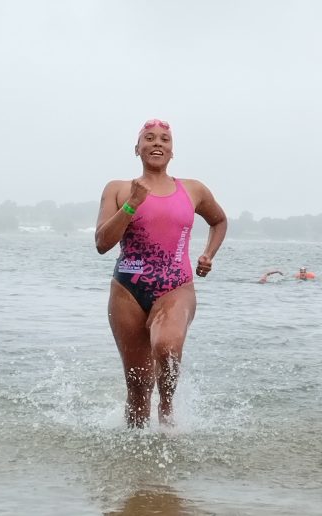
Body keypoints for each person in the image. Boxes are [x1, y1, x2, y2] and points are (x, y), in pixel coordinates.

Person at [95, 119, 227, 428]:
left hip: (175, 287)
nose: (157, 143)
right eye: (150, 138)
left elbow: (219, 221)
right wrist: (132, 203)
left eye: (164, 139)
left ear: (172, 151)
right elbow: (102, 243)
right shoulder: (118, 189)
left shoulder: (193, 189)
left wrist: (208, 254)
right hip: (127, 291)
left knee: (167, 347)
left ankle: (167, 414)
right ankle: (134, 449)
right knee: (138, 387)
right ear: (137, 148)